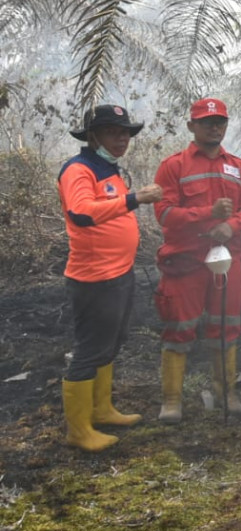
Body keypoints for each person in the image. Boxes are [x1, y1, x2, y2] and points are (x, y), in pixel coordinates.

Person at [58, 104, 162, 450]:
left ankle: (101, 409)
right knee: (90, 350)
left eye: (125, 133)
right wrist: (135, 199)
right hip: (93, 278)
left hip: (119, 272)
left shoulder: (108, 169)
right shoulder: (79, 170)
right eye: (113, 132)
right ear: (93, 136)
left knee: (111, 344)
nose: (122, 139)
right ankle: (78, 431)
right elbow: (82, 213)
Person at [153, 98, 241, 422]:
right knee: (179, 328)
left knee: (226, 326)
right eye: (207, 122)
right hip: (185, 261)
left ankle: (227, 393)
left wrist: (231, 225)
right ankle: (172, 401)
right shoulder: (174, 166)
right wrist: (207, 214)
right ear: (191, 126)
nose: (215, 128)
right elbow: (165, 213)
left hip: (228, 260)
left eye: (220, 122)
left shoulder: (238, 167)